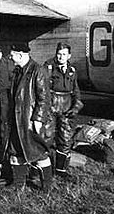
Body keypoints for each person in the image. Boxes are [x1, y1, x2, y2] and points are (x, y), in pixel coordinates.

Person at [6, 43, 52, 190]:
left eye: (12, 54)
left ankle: (47, 186)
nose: (11, 57)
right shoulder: (17, 71)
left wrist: (38, 119)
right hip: (17, 120)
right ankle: (18, 185)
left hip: (29, 121)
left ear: (20, 55)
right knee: (15, 151)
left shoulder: (38, 71)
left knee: (38, 153)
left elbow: (44, 99)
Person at [44, 42, 83, 177]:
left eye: (64, 54)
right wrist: (46, 107)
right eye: (59, 54)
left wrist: (76, 105)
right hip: (51, 105)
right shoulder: (48, 67)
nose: (61, 57)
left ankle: (61, 170)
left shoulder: (72, 70)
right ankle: (45, 169)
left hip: (67, 107)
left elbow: (75, 90)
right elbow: (43, 88)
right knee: (47, 137)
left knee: (66, 138)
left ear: (69, 56)